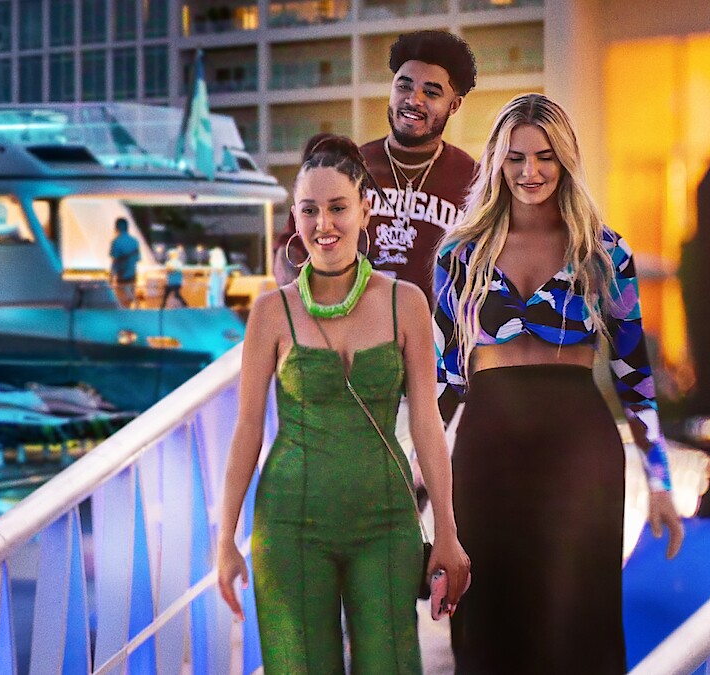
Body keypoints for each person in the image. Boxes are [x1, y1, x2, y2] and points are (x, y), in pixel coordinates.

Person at [434, 93, 685, 673]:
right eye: (516, 157)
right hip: (487, 451)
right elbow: (445, 383)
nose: (531, 171)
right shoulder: (459, 255)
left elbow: (634, 378)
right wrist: (415, 482)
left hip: (579, 454)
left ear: (566, 160)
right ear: (497, 162)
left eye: (545, 156)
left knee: (575, 631)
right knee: (488, 628)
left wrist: (660, 483)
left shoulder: (605, 252)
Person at [217, 136, 469, 674]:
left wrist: (447, 533)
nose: (324, 224)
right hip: (289, 525)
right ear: (294, 216)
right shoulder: (269, 312)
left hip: (387, 522)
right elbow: (247, 431)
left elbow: (428, 424)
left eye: (338, 208)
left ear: (365, 211)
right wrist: (225, 540)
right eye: (309, 210)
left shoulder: (407, 303)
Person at [275, 29, 478, 308]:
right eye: (404, 86)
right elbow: (291, 253)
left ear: (454, 105)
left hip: (437, 332)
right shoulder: (346, 168)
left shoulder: (474, 180)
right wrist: (311, 312)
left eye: (431, 92)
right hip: (354, 328)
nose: (413, 100)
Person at [109, 217, 140, 308]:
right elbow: (137, 258)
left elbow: (115, 261)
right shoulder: (134, 241)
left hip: (121, 276)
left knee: (122, 303)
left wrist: (111, 277)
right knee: (130, 300)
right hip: (132, 275)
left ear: (117, 227)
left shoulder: (116, 242)